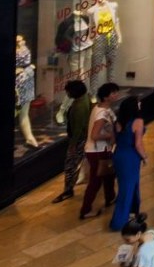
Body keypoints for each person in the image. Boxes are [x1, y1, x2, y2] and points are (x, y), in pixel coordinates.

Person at [78, 83, 120, 221]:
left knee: (108, 174)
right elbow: (94, 135)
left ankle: (110, 197)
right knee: (96, 180)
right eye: (113, 93)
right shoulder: (102, 114)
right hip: (97, 150)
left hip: (102, 149)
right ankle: (86, 209)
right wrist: (110, 136)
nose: (116, 95)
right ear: (106, 96)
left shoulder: (102, 108)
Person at [52, 80, 94, 204]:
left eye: (68, 91)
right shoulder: (85, 99)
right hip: (85, 137)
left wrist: (73, 144)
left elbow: (78, 128)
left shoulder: (79, 107)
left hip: (80, 139)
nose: (67, 93)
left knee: (70, 165)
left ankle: (68, 190)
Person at [109, 96, 147, 230]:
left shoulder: (118, 122)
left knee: (130, 184)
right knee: (127, 188)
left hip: (119, 155)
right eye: (138, 103)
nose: (140, 104)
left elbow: (113, 141)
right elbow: (138, 144)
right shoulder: (138, 121)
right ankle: (119, 222)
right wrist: (144, 157)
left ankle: (133, 212)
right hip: (131, 156)